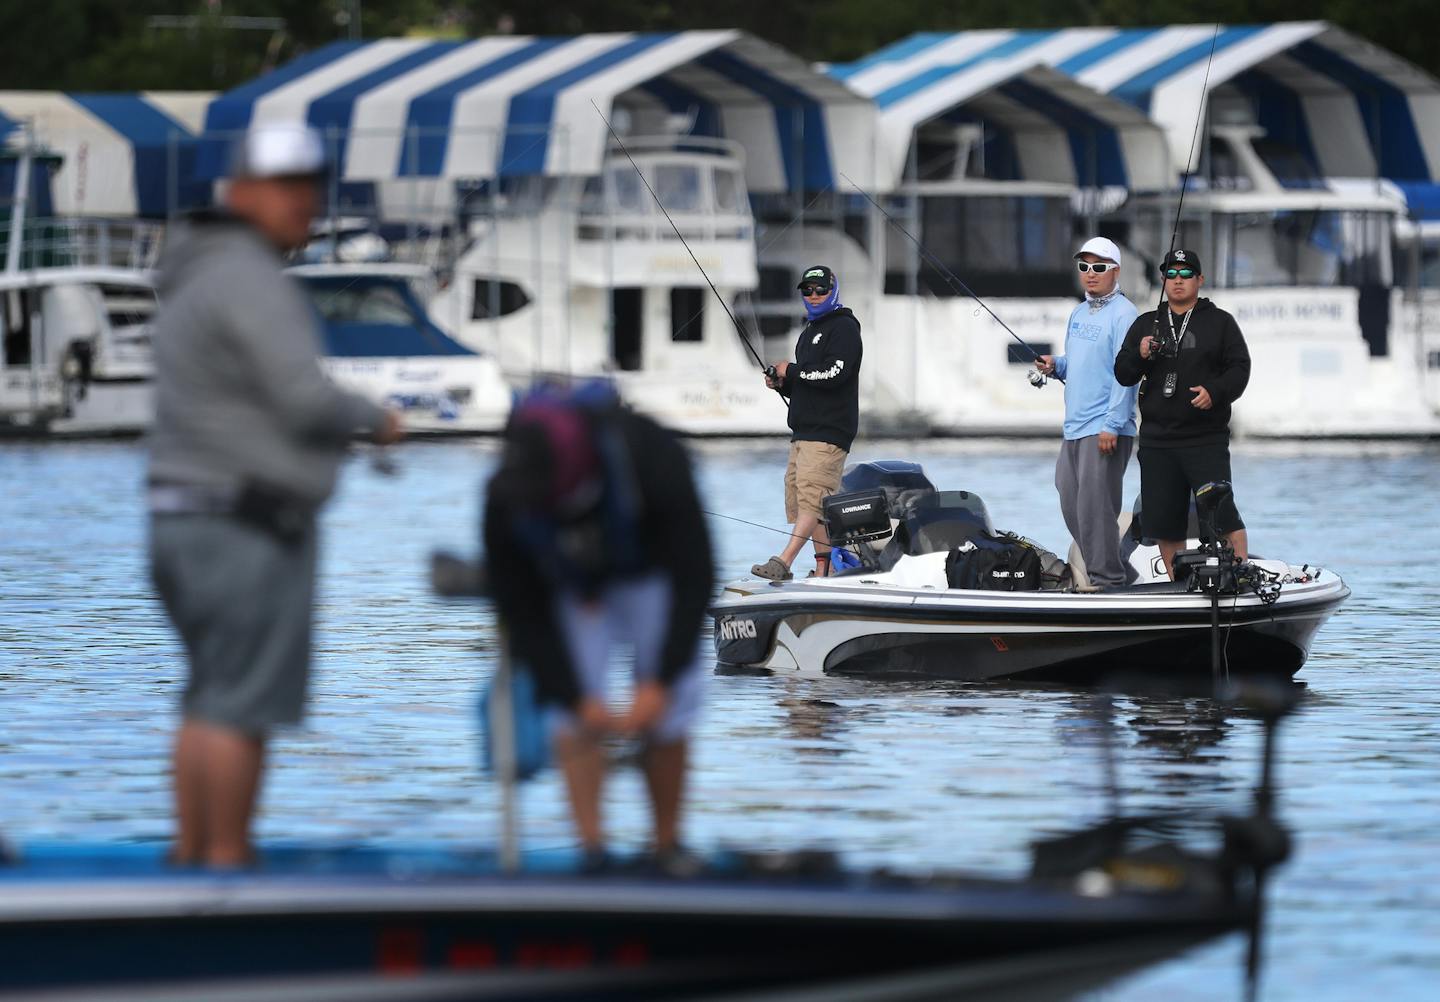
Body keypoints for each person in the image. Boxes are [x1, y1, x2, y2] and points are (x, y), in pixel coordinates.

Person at [148, 122, 403, 867]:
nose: (305, 203)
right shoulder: (250, 277)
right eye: (286, 186)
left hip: (179, 518)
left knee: (208, 697)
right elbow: (302, 397)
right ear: (240, 191)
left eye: (311, 186)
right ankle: (228, 869)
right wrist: (378, 420)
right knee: (241, 707)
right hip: (243, 525)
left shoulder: (193, 272)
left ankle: (190, 862)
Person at [484, 384, 713, 870]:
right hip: (569, 582)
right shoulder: (505, 499)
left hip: (648, 568)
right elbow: (522, 610)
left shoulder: (651, 457)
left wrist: (661, 682)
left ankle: (666, 845)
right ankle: (593, 851)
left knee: (672, 701)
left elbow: (696, 576)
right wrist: (573, 697)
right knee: (571, 712)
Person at [1114, 248, 1251, 578]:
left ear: (1200, 279)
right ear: (1163, 280)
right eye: (1171, 274)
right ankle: (1183, 585)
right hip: (1158, 442)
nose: (1178, 281)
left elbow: (1240, 368)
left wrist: (1215, 393)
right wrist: (1141, 353)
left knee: (1223, 516)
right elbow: (1122, 372)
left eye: (1186, 274)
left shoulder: (1221, 323)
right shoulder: (1146, 324)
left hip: (1205, 439)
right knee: (1166, 524)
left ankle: (1240, 575)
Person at [1036, 237, 1139, 590]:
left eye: (1099, 267)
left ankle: (1108, 580)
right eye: (1084, 267)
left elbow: (1127, 373)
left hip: (1106, 427)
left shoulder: (1125, 315)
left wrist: (1113, 424)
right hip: (1075, 426)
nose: (1090, 274)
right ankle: (1119, 569)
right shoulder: (1079, 312)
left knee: (1096, 509)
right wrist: (1056, 366)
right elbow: (1080, 364)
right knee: (1069, 498)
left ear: (1116, 271)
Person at [750, 264, 863, 580]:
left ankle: (783, 562)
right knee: (807, 503)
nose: (813, 296)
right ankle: (822, 569)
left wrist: (793, 371)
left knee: (813, 497)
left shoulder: (844, 329)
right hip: (804, 430)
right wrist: (783, 383)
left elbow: (835, 373)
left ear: (833, 291)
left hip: (828, 432)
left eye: (820, 290)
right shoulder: (809, 332)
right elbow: (810, 380)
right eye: (808, 291)